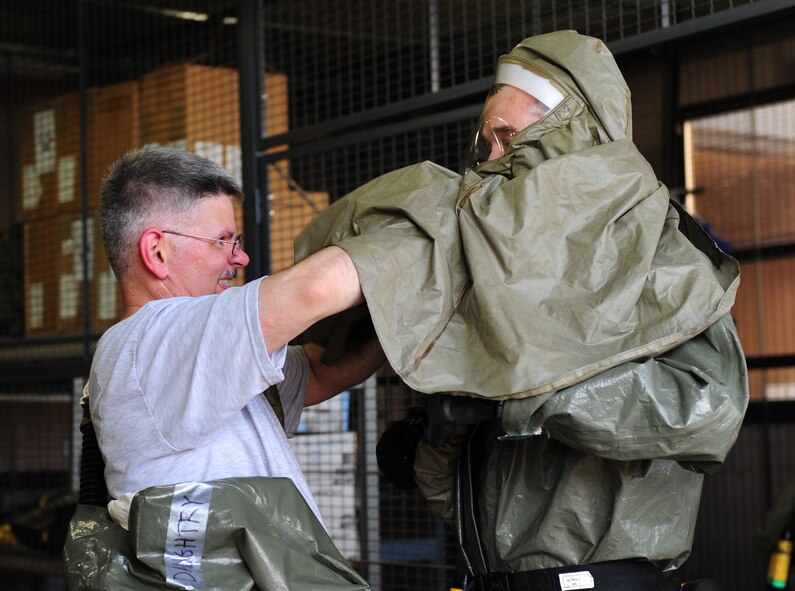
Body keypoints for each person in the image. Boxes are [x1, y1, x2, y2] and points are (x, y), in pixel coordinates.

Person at [293, 30, 749, 591]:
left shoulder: (662, 251)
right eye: (485, 141)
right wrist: (434, 441)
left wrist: (534, 396)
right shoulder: (487, 253)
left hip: (600, 579)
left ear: (573, 131)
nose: (491, 158)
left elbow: (706, 410)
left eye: (508, 136)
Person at [66, 145, 382, 590]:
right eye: (222, 241)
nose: (240, 258)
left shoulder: (184, 356)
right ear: (156, 252)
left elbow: (317, 374)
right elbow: (317, 288)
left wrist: (402, 324)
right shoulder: (150, 340)